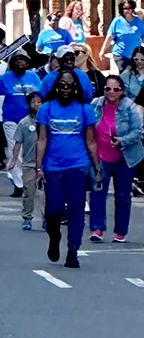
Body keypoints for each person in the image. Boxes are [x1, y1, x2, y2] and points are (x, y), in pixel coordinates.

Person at [35, 70, 101, 268]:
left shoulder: (84, 109)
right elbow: (42, 140)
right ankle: (54, 235)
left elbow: (91, 141)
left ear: (76, 88)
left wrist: (97, 169)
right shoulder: (46, 108)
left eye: (70, 85)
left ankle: (73, 250)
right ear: (57, 87)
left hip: (78, 165)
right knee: (53, 209)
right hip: (53, 165)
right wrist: (38, 168)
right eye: (62, 85)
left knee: (76, 209)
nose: (66, 89)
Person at [88, 75, 143, 242]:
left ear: (121, 91)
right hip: (101, 156)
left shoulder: (130, 107)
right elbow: (87, 126)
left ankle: (120, 232)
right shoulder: (95, 104)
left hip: (125, 156)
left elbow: (138, 131)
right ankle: (97, 229)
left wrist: (122, 140)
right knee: (98, 191)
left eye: (115, 89)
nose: (111, 92)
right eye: (108, 89)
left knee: (123, 194)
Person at [0, 51, 41, 196]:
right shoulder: (5, 78)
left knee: (30, 151)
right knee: (14, 151)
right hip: (11, 119)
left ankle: (30, 181)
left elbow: (41, 95)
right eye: (16, 59)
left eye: (22, 59)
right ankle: (19, 184)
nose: (19, 62)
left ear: (27, 62)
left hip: (30, 119)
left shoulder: (33, 77)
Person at [7, 90, 44, 230]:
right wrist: (13, 160)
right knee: (29, 193)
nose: (36, 105)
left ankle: (46, 218)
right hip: (29, 164)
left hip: (45, 164)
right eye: (33, 102)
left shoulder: (47, 121)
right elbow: (18, 143)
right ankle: (27, 217)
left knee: (45, 194)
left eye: (39, 102)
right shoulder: (24, 123)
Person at [100, 0, 144, 73]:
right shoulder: (117, 21)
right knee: (125, 73)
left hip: (136, 55)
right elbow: (110, 37)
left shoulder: (139, 22)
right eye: (125, 8)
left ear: (133, 8)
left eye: (129, 8)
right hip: (120, 54)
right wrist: (102, 50)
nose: (127, 10)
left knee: (136, 74)